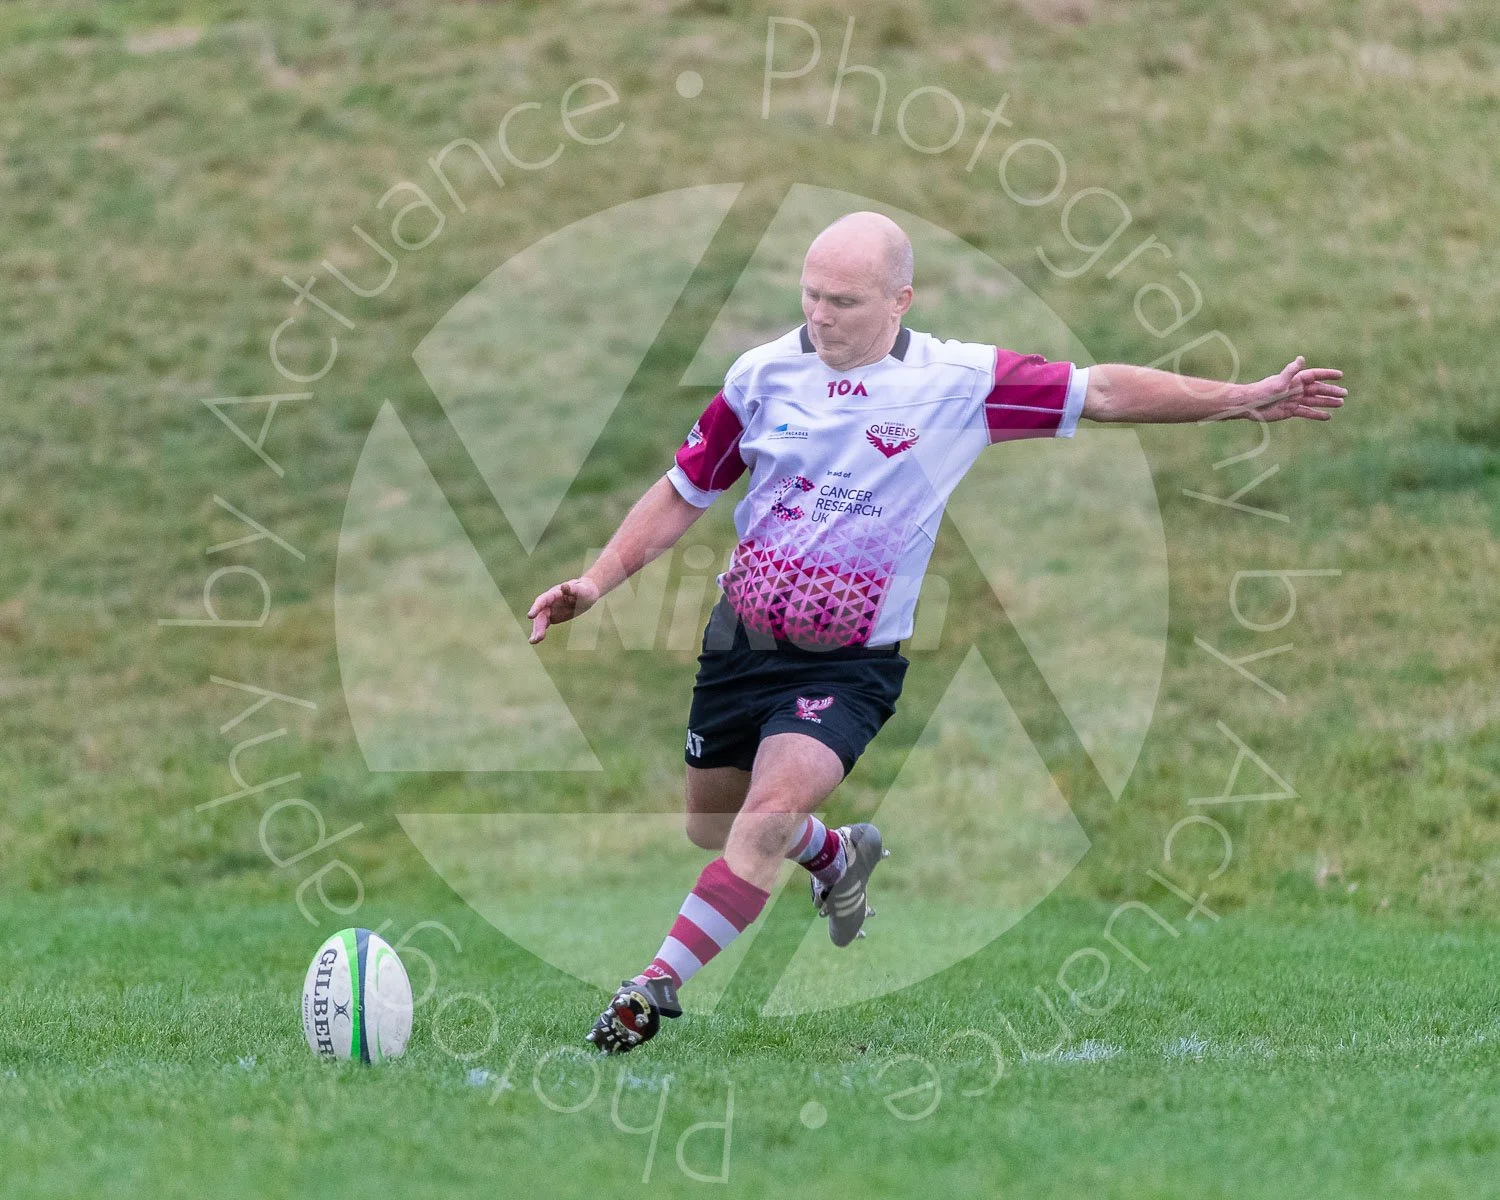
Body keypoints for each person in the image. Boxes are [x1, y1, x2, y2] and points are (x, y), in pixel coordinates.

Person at [525, 211, 1347, 1054]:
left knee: (761, 822)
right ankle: (836, 854)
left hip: (850, 665)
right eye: (811, 295)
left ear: (900, 298)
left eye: (844, 300)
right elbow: (683, 490)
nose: (821, 316)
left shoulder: (958, 382)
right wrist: (597, 580)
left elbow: (1098, 390)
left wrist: (1241, 399)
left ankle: (652, 985)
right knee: (712, 827)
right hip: (741, 641)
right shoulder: (761, 375)